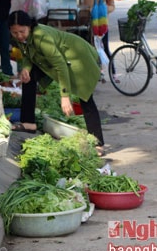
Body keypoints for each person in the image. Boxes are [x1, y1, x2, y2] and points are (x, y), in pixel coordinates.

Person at [8, 10, 106, 156]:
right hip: (58, 60)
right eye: (15, 33)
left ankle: (98, 142)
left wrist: (65, 96)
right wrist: (26, 69)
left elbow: (60, 65)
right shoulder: (20, 38)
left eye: (22, 31)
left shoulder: (41, 36)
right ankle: (28, 122)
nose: (19, 36)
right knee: (29, 78)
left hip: (77, 56)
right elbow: (28, 53)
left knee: (85, 97)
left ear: (30, 26)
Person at [59, 0, 115, 82]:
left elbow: (112, 7)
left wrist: (101, 9)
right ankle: (96, 72)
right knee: (90, 48)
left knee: (104, 47)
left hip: (102, 24)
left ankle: (113, 73)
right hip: (87, 23)